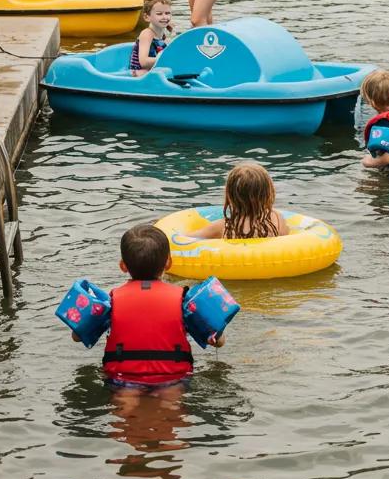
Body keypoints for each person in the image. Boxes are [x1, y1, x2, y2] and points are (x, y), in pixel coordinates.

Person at [79, 223, 226, 390]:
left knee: (126, 406)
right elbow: (218, 341)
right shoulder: (184, 302)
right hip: (173, 378)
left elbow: (77, 336)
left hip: (122, 379)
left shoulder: (111, 302)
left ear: (123, 266)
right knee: (172, 405)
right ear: (168, 263)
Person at [186, 163, 290, 239]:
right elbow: (285, 242)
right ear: (268, 194)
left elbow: (187, 238)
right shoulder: (277, 219)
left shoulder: (223, 226)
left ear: (230, 196)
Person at [130, 0, 174, 75]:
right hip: (139, 73)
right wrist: (167, 59)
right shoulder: (147, 34)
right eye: (159, 14)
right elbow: (143, 62)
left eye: (167, 13)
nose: (164, 17)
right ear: (147, 17)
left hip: (154, 71)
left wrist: (172, 32)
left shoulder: (162, 34)